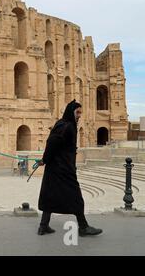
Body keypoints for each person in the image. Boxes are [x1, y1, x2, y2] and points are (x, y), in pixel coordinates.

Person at [37, 100, 103, 237]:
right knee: (77, 198)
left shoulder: (63, 124)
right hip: (63, 169)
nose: (79, 115)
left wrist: (46, 160)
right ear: (71, 112)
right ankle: (83, 227)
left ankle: (43, 226)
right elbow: (52, 144)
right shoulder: (67, 126)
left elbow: (53, 144)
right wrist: (45, 159)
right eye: (77, 112)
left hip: (56, 167)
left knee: (50, 194)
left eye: (80, 113)